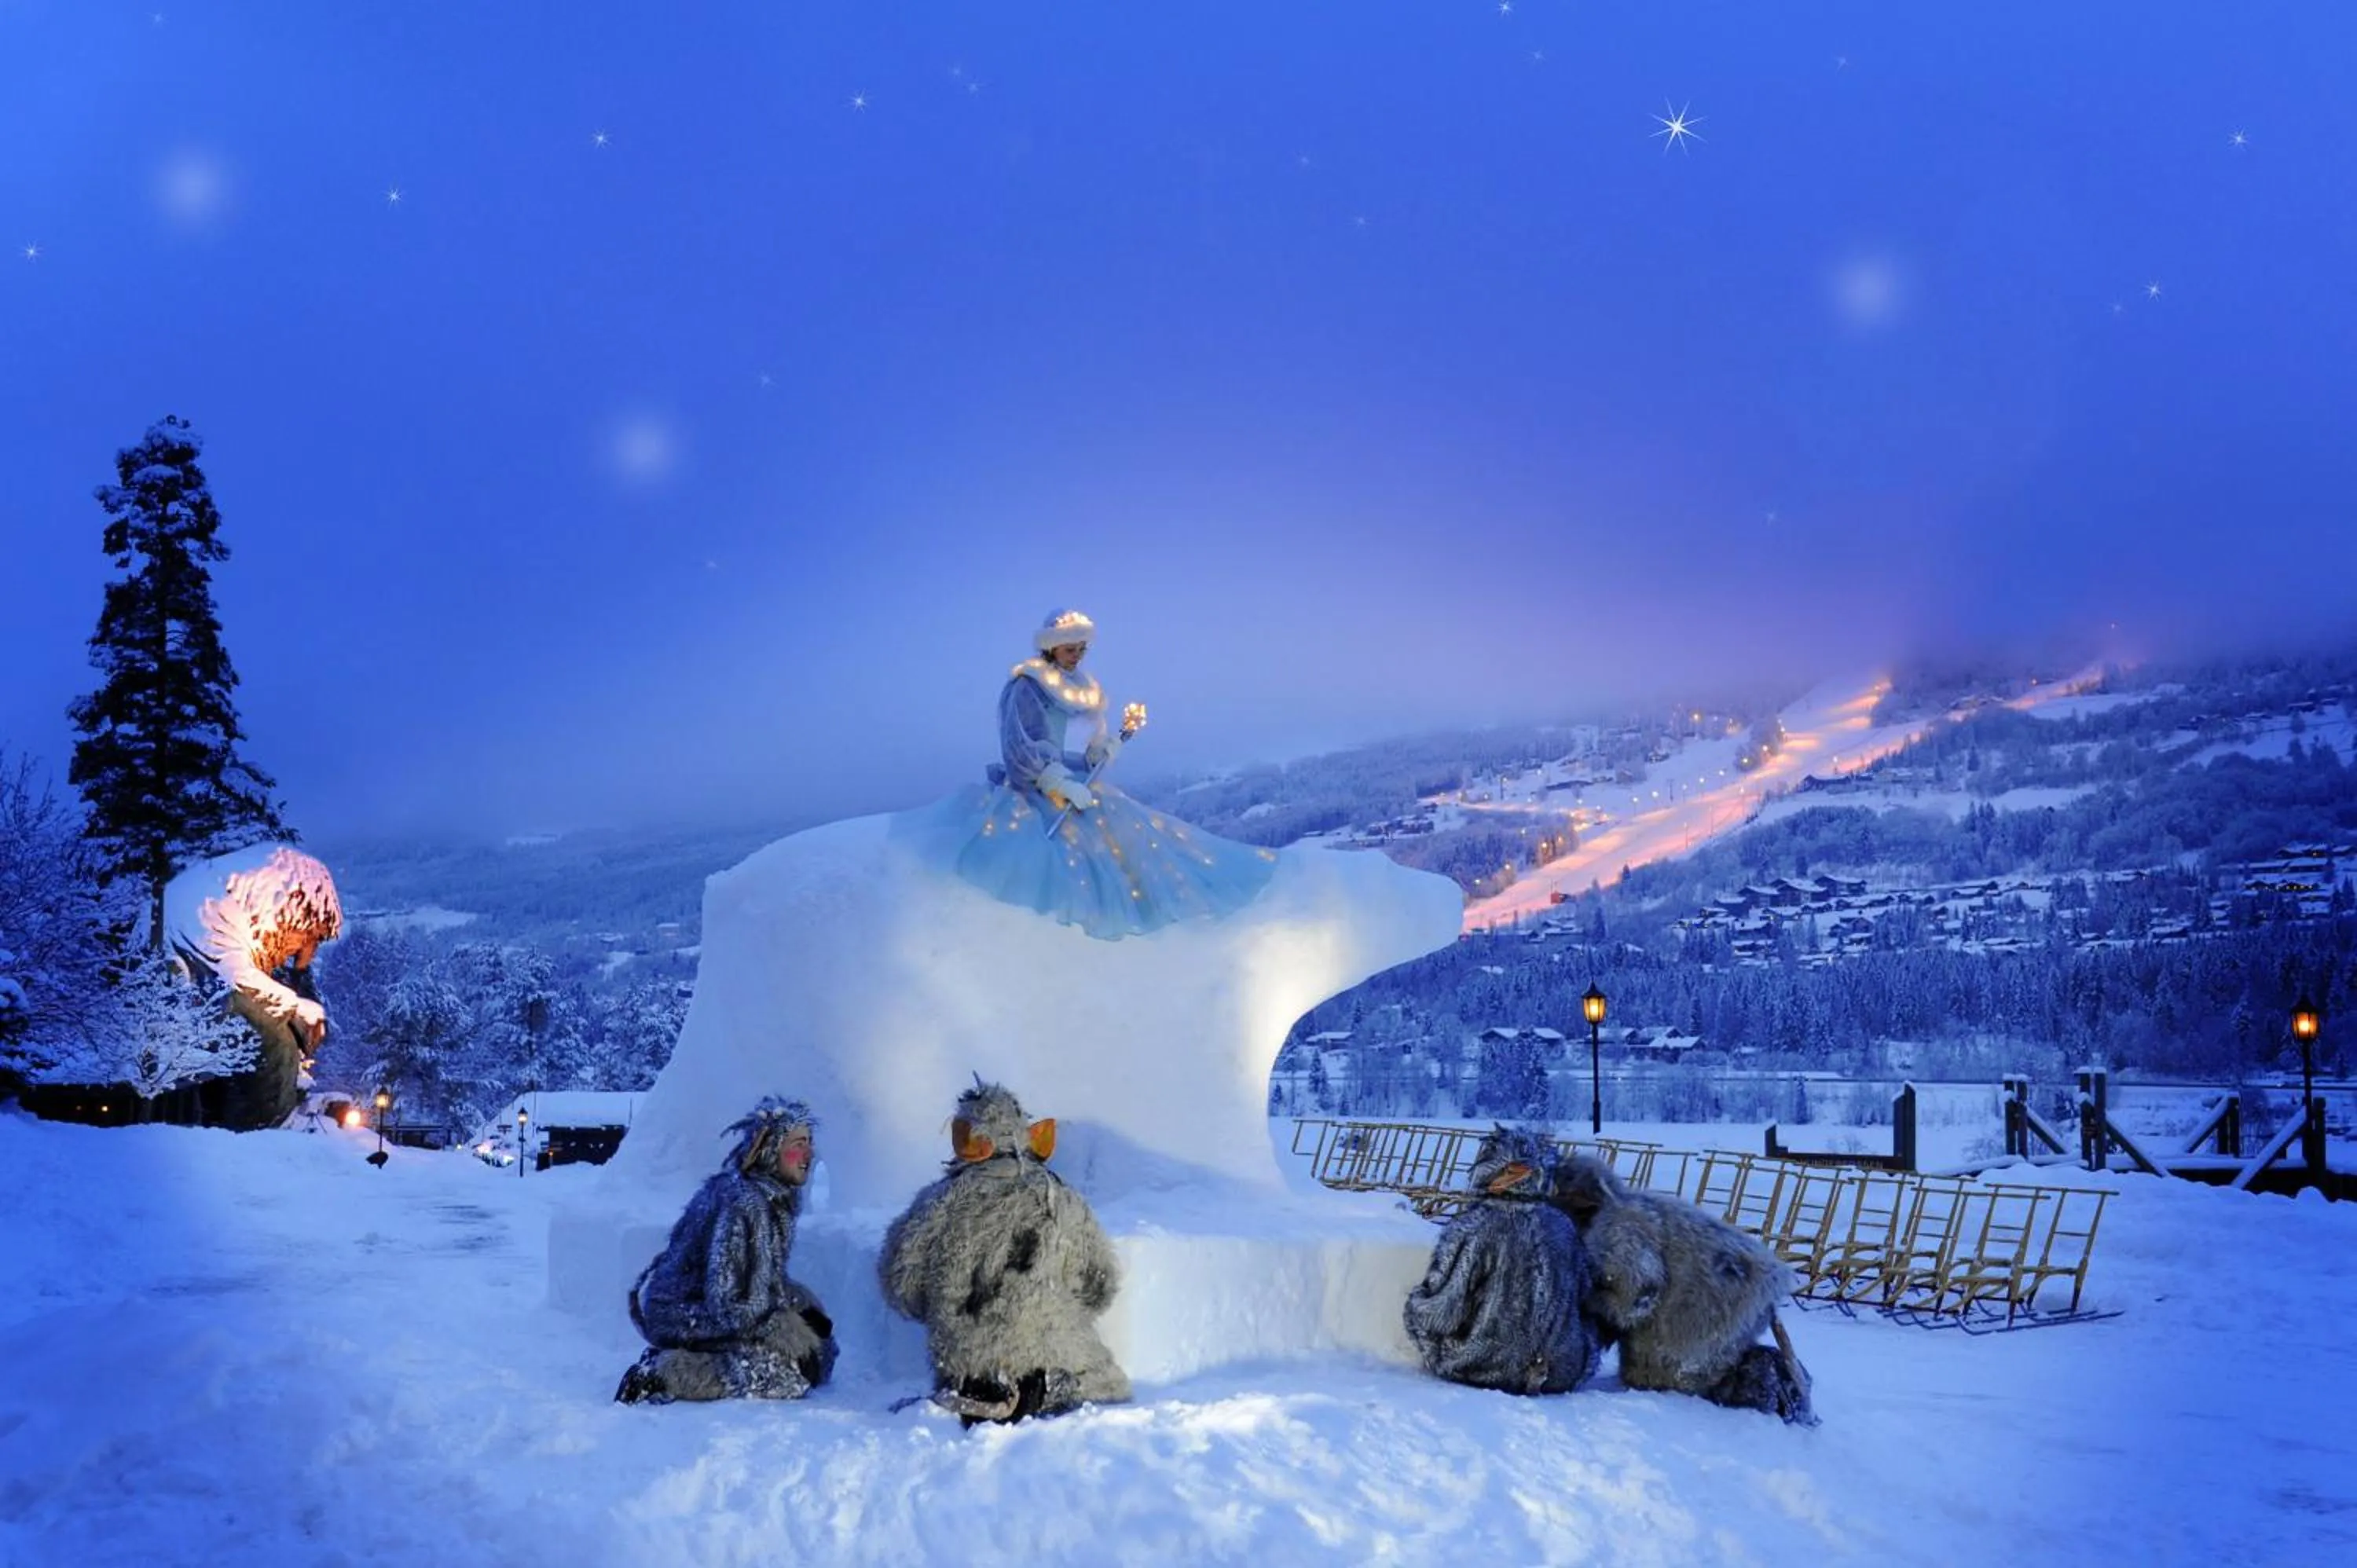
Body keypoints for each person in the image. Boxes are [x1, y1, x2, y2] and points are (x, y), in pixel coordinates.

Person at [891, 608, 1279, 940]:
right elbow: (1018, 747)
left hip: (1068, 784)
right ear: (1050, 646)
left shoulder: (1082, 688)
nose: (1077, 655)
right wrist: (1051, 780)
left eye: (1082, 648)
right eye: (1069, 648)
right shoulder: (1028, 687)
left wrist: (1101, 750)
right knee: (1044, 863)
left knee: (1132, 838)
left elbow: (1079, 744)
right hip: (1030, 789)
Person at [879, 1078, 1131, 1424]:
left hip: (969, 1373)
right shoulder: (1060, 1200)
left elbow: (900, 1287)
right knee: (1100, 1385)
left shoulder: (934, 1205)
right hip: (1061, 1363)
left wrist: (953, 1310)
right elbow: (1099, 1285)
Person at [616, 1097, 838, 1405]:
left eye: (810, 1143)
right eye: (799, 1143)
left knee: (821, 1345)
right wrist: (782, 1328)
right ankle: (664, 1373)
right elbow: (729, 1305)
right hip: (686, 1314)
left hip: (722, 1309)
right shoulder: (745, 1205)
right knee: (788, 1377)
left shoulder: (770, 1196)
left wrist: (805, 1316)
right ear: (771, 1148)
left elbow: (762, 1282)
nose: (809, 1154)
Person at [1402, 1125, 1604, 1396]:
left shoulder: (1472, 1227)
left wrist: (1416, 1307)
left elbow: (1442, 1313)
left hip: (1481, 1368)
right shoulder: (1562, 1227)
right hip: (1561, 1371)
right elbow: (1585, 1297)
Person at [164, 844, 342, 1127]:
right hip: (183, 1018)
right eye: (304, 938)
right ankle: (262, 1130)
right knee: (273, 1039)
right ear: (291, 910)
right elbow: (235, 980)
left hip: (195, 1011)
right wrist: (295, 1010)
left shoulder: (211, 896)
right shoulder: (209, 905)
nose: (299, 954)